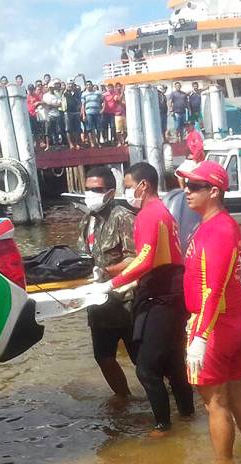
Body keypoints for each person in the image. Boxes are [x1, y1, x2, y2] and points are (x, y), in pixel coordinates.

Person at [87, 162, 195, 434]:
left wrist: (112, 283)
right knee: (172, 362)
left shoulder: (149, 214)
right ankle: (188, 417)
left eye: (128, 186)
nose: (128, 192)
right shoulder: (163, 213)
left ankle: (163, 427)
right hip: (171, 289)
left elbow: (144, 258)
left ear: (143, 186)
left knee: (146, 370)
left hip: (161, 294)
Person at [177, 160, 241, 461]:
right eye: (185, 185)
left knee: (215, 403)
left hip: (214, 325)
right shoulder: (217, 226)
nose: (187, 192)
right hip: (232, 322)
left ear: (214, 191)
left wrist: (199, 338)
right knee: (235, 394)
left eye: (194, 186)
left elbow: (212, 288)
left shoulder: (217, 230)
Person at [77, 166, 139, 404]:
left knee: (142, 363)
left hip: (126, 304)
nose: (90, 193)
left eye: (97, 189)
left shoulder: (123, 218)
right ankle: (125, 400)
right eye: (88, 189)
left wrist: (106, 271)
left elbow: (136, 258)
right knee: (103, 358)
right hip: (98, 306)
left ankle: (164, 402)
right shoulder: (87, 221)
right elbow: (82, 257)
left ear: (110, 193)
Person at [162, 159, 203, 250]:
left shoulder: (219, 230)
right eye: (187, 185)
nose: (186, 190)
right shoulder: (204, 223)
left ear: (214, 192)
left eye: (194, 187)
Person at [81, 81, 103, 148]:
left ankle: (98, 142)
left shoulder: (97, 93)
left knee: (98, 128)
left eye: (89, 84)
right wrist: (83, 115)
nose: (88, 86)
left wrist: (102, 110)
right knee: (89, 128)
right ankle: (92, 143)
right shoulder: (84, 94)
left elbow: (103, 101)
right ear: (86, 86)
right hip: (88, 113)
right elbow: (83, 105)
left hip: (97, 113)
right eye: (87, 85)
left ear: (92, 85)